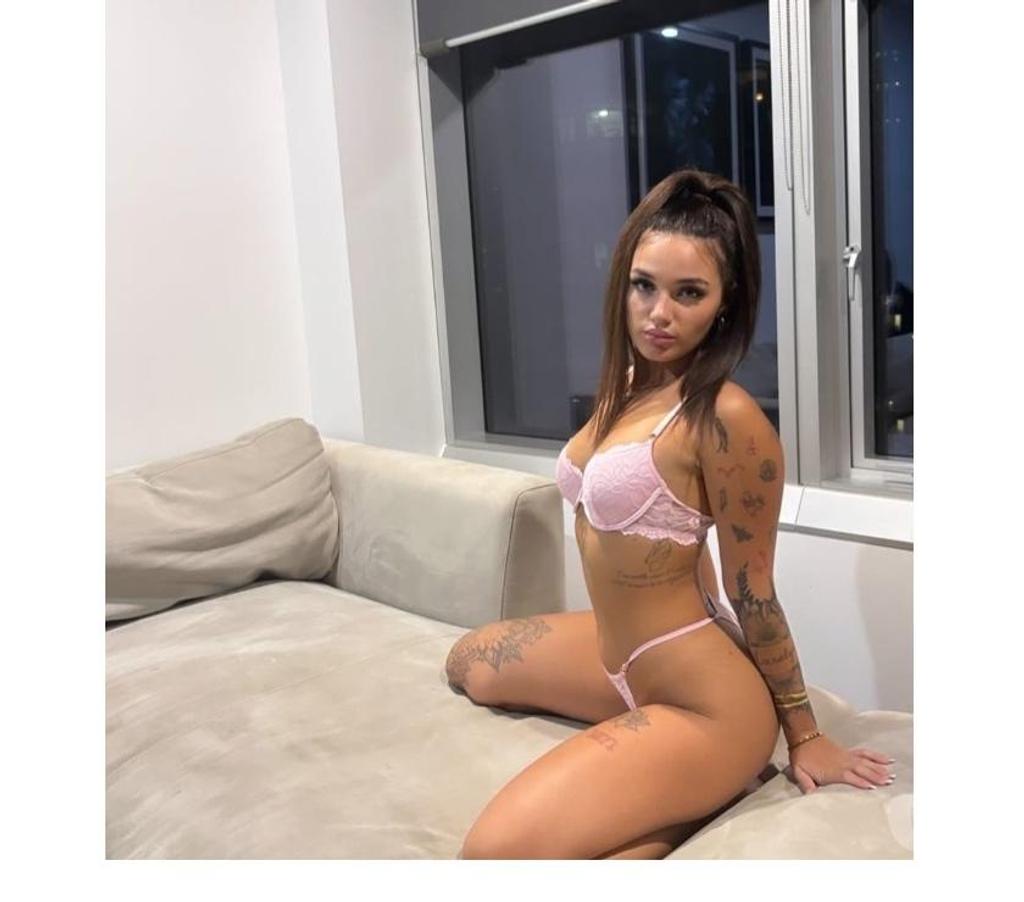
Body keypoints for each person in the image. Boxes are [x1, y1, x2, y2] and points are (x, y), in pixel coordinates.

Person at [444, 169, 895, 860]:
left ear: (724, 303)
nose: (659, 313)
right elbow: (679, 531)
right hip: (616, 656)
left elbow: (755, 591)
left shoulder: (726, 418)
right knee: (469, 661)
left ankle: (712, 777)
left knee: (491, 855)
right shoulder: (628, 385)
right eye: (644, 285)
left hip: (707, 701)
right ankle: (695, 795)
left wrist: (804, 734)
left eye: (689, 293)